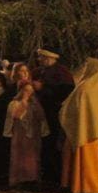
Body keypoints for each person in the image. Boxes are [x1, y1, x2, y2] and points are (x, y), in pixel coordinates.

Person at [58, 58, 98, 193]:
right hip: (87, 131)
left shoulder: (88, 88)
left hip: (85, 130)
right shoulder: (90, 87)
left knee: (87, 158)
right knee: (89, 159)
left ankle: (85, 185)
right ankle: (89, 185)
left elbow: (70, 108)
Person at [32, 48, 75, 185]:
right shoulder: (40, 71)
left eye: (42, 57)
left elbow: (64, 93)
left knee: (52, 144)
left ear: (49, 57)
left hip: (53, 114)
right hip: (41, 113)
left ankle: (54, 178)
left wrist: (43, 88)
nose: (39, 59)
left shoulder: (62, 73)